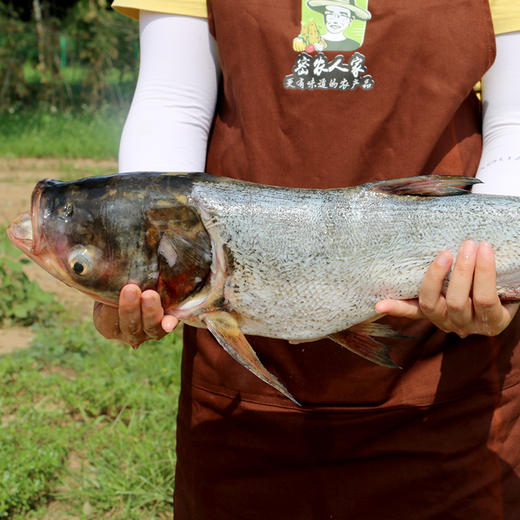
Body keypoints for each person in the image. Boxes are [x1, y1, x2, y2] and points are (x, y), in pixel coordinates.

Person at [96, 1, 520, 518]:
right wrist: (140, 255)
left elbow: (515, 118)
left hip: (451, 382)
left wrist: (488, 271)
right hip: (244, 393)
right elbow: (172, 102)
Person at [307, 0, 371, 51]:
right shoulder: (311, 41)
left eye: (343, 15)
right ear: (324, 16)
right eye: (330, 13)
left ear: (351, 19)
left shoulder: (354, 45)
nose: (335, 20)